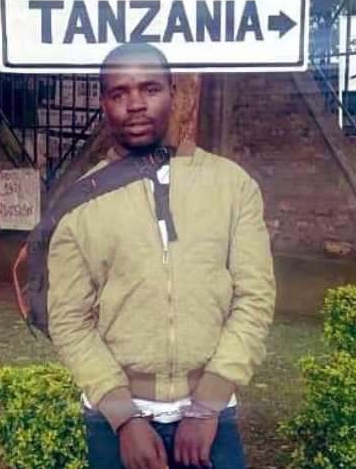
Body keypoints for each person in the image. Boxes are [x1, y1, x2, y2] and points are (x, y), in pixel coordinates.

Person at [47, 42, 276, 469]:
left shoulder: (231, 186)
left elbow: (255, 298)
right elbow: (68, 320)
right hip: (116, 421)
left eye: (150, 89)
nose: (135, 104)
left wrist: (207, 404)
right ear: (104, 103)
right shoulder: (79, 203)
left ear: (174, 92)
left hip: (213, 416)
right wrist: (124, 417)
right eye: (119, 93)